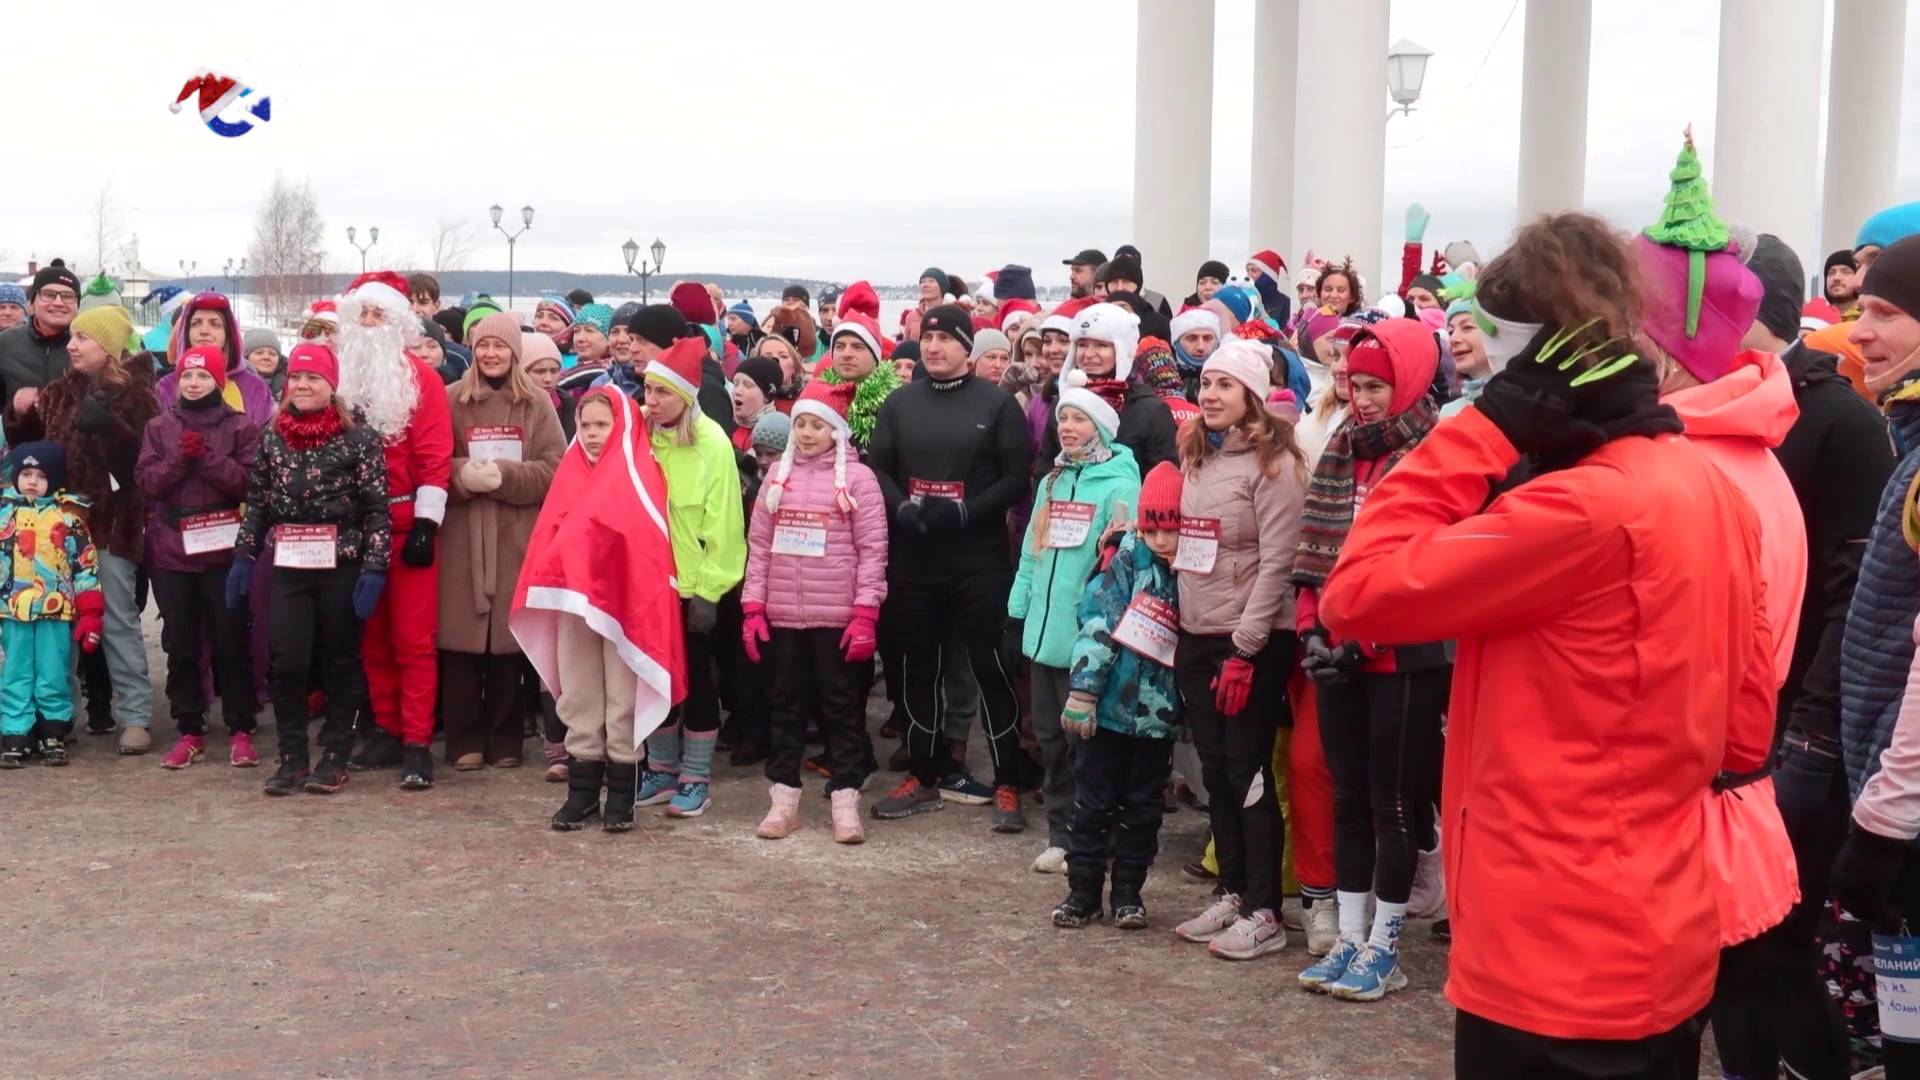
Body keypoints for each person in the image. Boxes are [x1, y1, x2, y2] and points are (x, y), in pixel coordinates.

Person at [1322, 212, 1770, 1075]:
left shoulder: (1579, 511)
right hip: (1662, 922)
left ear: (1537, 369)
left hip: (1550, 947)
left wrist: (1485, 431)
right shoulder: (1710, 488)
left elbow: (1357, 593)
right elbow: (1745, 731)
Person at [1706, 234, 1889, 1079]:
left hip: (1794, 725)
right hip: (1724, 717)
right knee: (1726, 944)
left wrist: (1811, 733)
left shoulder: (1840, 418)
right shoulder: (1708, 410)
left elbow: (1852, 592)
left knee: (1773, 941)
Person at [1291, 319, 1448, 1001]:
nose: (1364, 398)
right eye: (1355, 384)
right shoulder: (1341, 448)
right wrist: (1311, 634)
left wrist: (1369, 638)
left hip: (1402, 655)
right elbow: (1313, 554)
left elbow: (1434, 565)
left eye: (1378, 385)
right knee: (1348, 797)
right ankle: (1350, 936)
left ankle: (1386, 943)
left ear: (1409, 380)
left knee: (1392, 801)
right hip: (1338, 651)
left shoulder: (1434, 453)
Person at [1167, 337, 1306, 961]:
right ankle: (1232, 891)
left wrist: (1247, 647)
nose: (1211, 394)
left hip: (1250, 639)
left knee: (1248, 771)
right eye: (1206, 384)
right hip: (1197, 632)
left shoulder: (1277, 466)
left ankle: (1265, 910)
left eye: (1225, 385)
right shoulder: (1200, 456)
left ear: (1252, 395)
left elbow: (1280, 560)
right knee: (1217, 771)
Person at [867, 304, 1032, 825]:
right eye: (928, 337)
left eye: (945, 338)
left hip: (977, 559)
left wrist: (966, 511)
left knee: (990, 667)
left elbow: (1016, 478)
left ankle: (1007, 781)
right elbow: (880, 467)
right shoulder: (900, 402)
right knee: (920, 666)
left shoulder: (998, 403)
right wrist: (903, 508)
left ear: (967, 347)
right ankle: (924, 773)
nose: (933, 346)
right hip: (915, 556)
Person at [515, 387, 685, 831]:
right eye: (585, 425)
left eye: (601, 425)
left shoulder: (642, 474)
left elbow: (647, 545)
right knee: (579, 693)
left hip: (626, 610)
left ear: (622, 426)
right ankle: (583, 792)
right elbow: (550, 537)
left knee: (622, 699)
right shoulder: (570, 474)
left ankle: (622, 795)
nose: (592, 434)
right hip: (575, 604)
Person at [230, 343, 391, 797]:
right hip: (290, 565)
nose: (301, 385)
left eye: (313, 378)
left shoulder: (359, 437)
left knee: (340, 660)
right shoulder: (273, 434)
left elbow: (377, 509)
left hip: (342, 563)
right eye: (296, 377)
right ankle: (292, 758)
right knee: (287, 661)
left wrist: (374, 568)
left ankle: (335, 756)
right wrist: (243, 556)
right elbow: (258, 500)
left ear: (331, 386)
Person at [1835, 234, 1920, 1079]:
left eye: (1888, 312)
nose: (1861, 330)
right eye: (1860, 309)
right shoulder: (1910, 441)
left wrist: (1884, 821)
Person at [3, 303, 157, 754]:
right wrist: (18, 415)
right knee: (57, 620)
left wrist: (110, 428)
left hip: (110, 525)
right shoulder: (58, 392)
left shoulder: (138, 396)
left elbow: (141, 471)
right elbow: (28, 455)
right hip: (58, 530)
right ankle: (58, 716)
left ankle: (134, 715)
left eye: (82, 338)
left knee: (118, 621)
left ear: (108, 347)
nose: (70, 345)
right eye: (71, 337)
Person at [741, 379, 887, 842]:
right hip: (783, 615)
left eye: (817, 425)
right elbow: (759, 546)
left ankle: (846, 801)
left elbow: (873, 549)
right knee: (784, 709)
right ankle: (783, 801)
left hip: (837, 617)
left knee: (842, 710)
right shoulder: (776, 476)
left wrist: (866, 612)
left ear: (836, 431)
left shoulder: (859, 480)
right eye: (800, 423)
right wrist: (753, 607)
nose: (806, 433)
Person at [1009, 379, 1141, 869]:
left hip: (1087, 641)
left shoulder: (1123, 484)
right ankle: (1060, 834)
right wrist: (1016, 614)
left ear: (1101, 428)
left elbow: (1124, 564)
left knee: (1084, 743)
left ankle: (1093, 834)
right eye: (1062, 418)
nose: (1067, 427)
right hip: (1043, 637)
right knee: (1047, 736)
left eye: (1079, 419)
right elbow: (1032, 550)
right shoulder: (1052, 481)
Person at [1049, 460, 1184, 928]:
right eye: (1154, 529)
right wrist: (1084, 692)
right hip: (1106, 712)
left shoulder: (1193, 573)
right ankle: (1082, 890)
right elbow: (1097, 625)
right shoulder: (1123, 559)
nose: (1163, 540)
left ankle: (1129, 891)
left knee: (1143, 808)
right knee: (1092, 802)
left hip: (1157, 719)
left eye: (1173, 529)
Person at [331, 271, 453, 791]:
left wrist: (427, 522)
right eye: (362, 313)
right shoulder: (338, 380)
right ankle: (386, 725)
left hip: (406, 528)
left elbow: (433, 453)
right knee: (371, 638)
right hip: (355, 529)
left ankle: (418, 741)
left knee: (413, 640)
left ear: (397, 323)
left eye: (378, 314)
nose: (368, 322)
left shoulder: (420, 381)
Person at [439, 313, 564, 772]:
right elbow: (431, 462)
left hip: (516, 534)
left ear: (515, 352)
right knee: (460, 642)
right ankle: (463, 740)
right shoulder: (450, 399)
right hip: (461, 535)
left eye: (501, 346)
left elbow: (556, 468)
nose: (491, 354)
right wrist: (461, 475)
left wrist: (507, 476)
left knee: (510, 643)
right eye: (484, 345)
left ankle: (507, 738)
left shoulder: (537, 405)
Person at [136, 345, 262, 769]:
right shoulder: (159, 427)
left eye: (203, 376)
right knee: (181, 642)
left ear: (218, 381)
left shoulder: (241, 427)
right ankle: (189, 727)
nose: (193, 383)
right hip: (172, 549)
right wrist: (178, 460)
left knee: (231, 640)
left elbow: (248, 485)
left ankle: (241, 727)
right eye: (187, 376)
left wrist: (206, 458)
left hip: (223, 546)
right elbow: (147, 482)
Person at [638, 337, 747, 818]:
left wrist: (708, 593)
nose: (652, 402)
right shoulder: (642, 437)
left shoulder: (712, 444)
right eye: (648, 391)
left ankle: (696, 777)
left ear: (685, 396)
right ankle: (661, 769)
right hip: (648, 585)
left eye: (662, 393)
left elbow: (724, 525)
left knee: (697, 681)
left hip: (694, 588)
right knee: (652, 677)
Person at [0, 442, 102, 767]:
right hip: (14, 609)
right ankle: (16, 732)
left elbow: (85, 564)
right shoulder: (4, 515)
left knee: (53, 671)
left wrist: (90, 610)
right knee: (16, 671)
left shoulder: (68, 517)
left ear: (54, 480)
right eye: (26, 474)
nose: (32, 481)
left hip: (54, 609)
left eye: (40, 475)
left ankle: (53, 731)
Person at [1036, 303, 1177, 473]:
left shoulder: (1150, 411)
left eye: (1101, 345)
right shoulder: (1064, 404)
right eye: (1082, 344)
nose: (1088, 354)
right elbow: (1045, 468)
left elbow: (1162, 480)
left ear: (1122, 350)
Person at [156, 292, 276, 425]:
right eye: (195, 323)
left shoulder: (254, 388)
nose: (204, 331)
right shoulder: (166, 388)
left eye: (215, 324)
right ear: (186, 332)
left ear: (228, 333)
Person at [815, 313, 902, 449]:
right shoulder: (816, 398)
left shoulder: (896, 402)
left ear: (875, 357)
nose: (846, 354)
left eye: (857, 347)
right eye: (839, 346)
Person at [0, 262, 80, 405]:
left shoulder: (93, 345)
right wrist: (15, 414)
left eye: (67, 296)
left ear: (77, 305)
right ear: (32, 302)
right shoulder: (4, 344)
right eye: (49, 295)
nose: (58, 302)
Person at [1439, 289, 1490, 417]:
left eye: (1467, 327)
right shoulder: (1449, 413)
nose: (1453, 339)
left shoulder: (1525, 403)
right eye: (1450, 331)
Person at [730, 356, 782, 452]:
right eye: (736, 384)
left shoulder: (775, 432)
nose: (737, 391)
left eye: (748, 385)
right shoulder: (727, 426)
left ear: (767, 396)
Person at [243, 328, 286, 400]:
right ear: (246, 357)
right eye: (259, 353)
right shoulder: (233, 385)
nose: (266, 357)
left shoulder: (289, 388)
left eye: (272, 354)